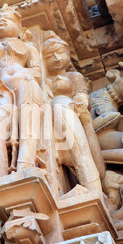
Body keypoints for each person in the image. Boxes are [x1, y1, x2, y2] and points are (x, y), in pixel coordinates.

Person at [0, 4, 43, 178]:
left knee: (28, 125)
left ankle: (24, 169)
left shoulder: (29, 48)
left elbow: (38, 74)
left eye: (8, 19)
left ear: (20, 29)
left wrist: (24, 73)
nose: (2, 21)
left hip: (25, 82)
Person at [42, 30, 105, 194]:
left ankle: (92, 190)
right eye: (50, 55)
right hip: (51, 123)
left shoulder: (74, 76)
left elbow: (82, 96)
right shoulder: (43, 81)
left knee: (82, 154)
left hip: (72, 116)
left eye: (61, 53)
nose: (57, 58)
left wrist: (81, 103)